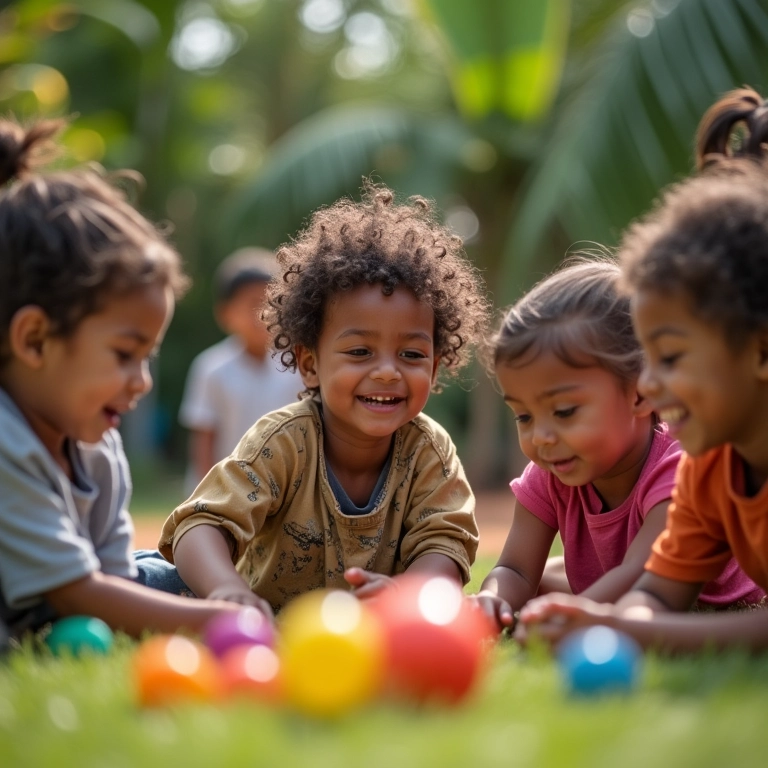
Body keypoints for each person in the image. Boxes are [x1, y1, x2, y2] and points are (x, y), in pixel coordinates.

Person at [158, 182, 491, 615]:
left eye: (411, 354)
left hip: (376, 630)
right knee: (153, 578)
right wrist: (226, 590)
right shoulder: (284, 440)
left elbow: (445, 543)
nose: (389, 371)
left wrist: (409, 597)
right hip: (267, 619)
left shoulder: (429, 451)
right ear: (310, 364)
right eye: (359, 352)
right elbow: (201, 524)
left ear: (434, 365)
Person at [517, 87, 768, 652]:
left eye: (672, 358)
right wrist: (610, 624)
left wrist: (623, 626)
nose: (649, 383)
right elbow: (658, 593)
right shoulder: (711, 471)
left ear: (760, 351)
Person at [0, 117, 249, 642]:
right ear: (35, 340)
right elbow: (77, 591)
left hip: (61, 606)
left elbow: (116, 580)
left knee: (170, 576)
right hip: (44, 602)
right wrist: (216, 621)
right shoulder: (7, 441)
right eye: (123, 355)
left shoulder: (99, 448)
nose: (141, 383)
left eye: (147, 358)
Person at [471, 257, 763, 632]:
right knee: (537, 583)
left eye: (563, 411)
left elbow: (640, 574)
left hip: (702, 600)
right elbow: (514, 568)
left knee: (549, 590)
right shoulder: (550, 469)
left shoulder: (678, 465)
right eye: (523, 416)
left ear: (640, 395)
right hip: (620, 585)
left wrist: (572, 613)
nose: (541, 436)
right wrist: (492, 600)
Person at [179, 247, 300, 491]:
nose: (263, 314)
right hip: (228, 491)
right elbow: (204, 439)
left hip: (286, 489)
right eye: (252, 304)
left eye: (271, 303)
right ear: (225, 314)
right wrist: (208, 496)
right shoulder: (211, 368)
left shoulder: (297, 366)